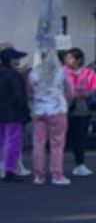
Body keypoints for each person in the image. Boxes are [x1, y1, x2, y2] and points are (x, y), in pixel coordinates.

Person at [26, 45, 75, 186]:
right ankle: (56, 174)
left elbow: (29, 94)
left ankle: (39, 175)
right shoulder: (61, 73)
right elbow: (70, 92)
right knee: (57, 144)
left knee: (38, 144)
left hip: (39, 111)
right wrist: (65, 102)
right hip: (57, 110)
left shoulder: (33, 74)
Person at [63, 48, 96, 177]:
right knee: (62, 138)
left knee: (80, 137)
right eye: (66, 58)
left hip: (82, 109)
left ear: (78, 60)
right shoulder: (62, 72)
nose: (67, 60)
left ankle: (80, 163)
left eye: (70, 58)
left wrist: (85, 93)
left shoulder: (89, 73)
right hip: (64, 109)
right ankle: (57, 165)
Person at [0, 47, 31, 183]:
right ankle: (9, 170)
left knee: (1, 141)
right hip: (12, 114)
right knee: (13, 143)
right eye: (16, 58)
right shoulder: (14, 76)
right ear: (11, 60)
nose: (18, 61)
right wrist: (26, 112)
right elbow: (19, 97)